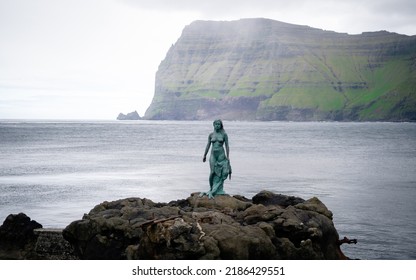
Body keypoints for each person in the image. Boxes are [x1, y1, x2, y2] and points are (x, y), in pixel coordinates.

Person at [200, 119, 232, 199]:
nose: (217, 125)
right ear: (213, 125)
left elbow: (227, 146)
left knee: (221, 173)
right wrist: (204, 155)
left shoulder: (224, 134)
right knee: (212, 172)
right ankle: (211, 189)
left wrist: (228, 157)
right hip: (213, 155)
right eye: (216, 124)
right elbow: (208, 145)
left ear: (221, 125)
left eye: (219, 124)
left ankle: (218, 189)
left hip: (221, 155)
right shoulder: (211, 135)